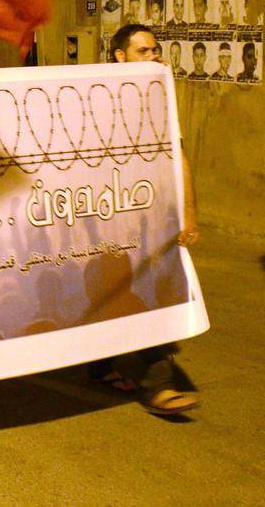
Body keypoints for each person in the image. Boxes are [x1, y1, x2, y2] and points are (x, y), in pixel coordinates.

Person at [108, 23, 201, 415]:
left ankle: (158, 382)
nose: (153, 56)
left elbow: (176, 155)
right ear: (120, 56)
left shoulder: (159, 98)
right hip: (104, 216)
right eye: (143, 51)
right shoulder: (98, 96)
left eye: (155, 50)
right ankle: (108, 366)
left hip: (148, 217)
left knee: (149, 292)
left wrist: (190, 214)